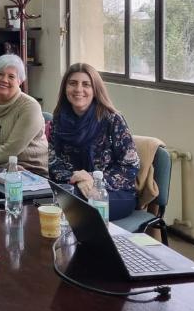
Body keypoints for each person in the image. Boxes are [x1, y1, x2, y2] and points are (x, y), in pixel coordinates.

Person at [48, 62, 139, 220]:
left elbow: (130, 168)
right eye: (73, 83)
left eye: (86, 84)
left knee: (76, 206)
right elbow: (54, 163)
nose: (78, 89)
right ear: (65, 88)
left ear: (95, 90)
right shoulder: (59, 119)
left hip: (114, 192)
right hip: (75, 187)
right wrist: (78, 179)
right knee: (50, 201)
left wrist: (92, 179)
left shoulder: (112, 120)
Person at [0, 54, 47, 174]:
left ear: (20, 81)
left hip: (31, 172)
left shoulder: (30, 107)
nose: (4, 80)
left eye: (11, 76)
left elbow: (11, 149)